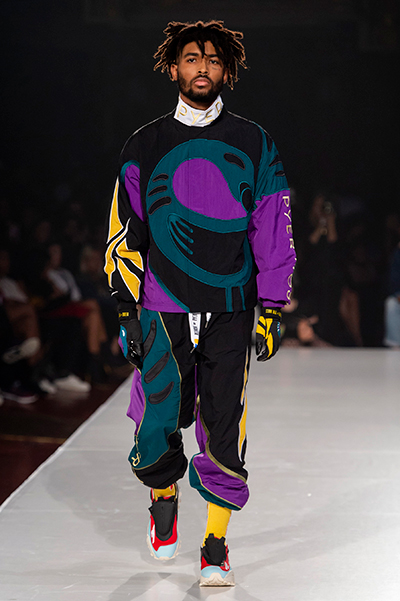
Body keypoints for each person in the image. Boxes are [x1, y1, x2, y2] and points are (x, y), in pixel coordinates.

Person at [105, 20, 296, 586]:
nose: (203, 68)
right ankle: (163, 499)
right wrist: (125, 308)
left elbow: (272, 224)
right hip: (162, 304)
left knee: (224, 422)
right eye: (192, 58)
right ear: (174, 67)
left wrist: (272, 306)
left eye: (213, 59)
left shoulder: (254, 142)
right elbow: (126, 229)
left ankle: (215, 544)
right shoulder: (143, 145)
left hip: (232, 305)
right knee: (158, 419)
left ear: (226, 69)